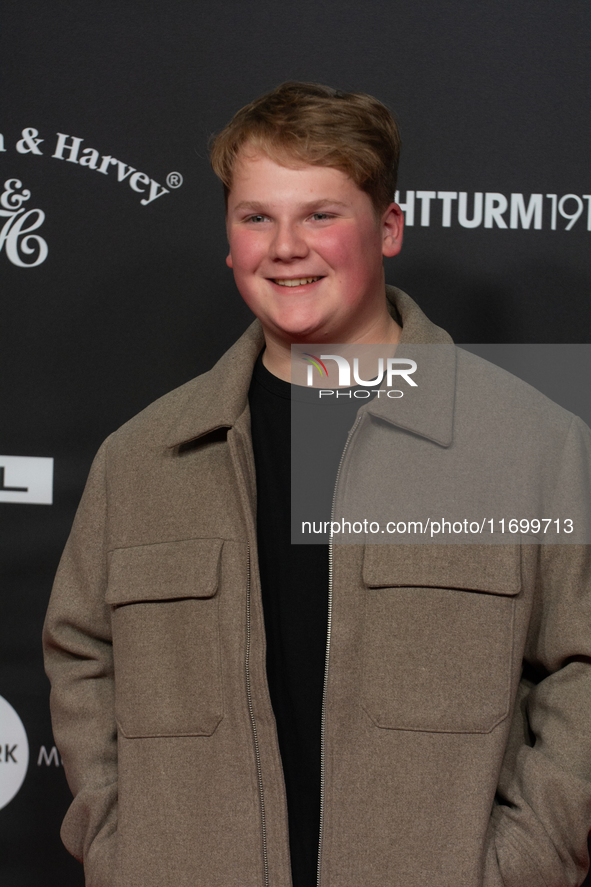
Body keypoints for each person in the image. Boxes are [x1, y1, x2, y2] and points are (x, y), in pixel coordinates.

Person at [43, 82, 591, 887]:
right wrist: (126, 849)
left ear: (389, 229)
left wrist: (518, 863)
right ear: (229, 240)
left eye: (321, 215)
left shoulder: (529, 441)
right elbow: (81, 650)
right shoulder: (143, 455)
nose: (284, 247)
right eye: (256, 216)